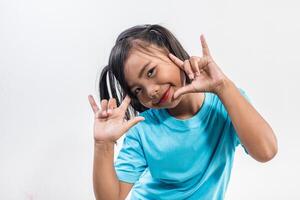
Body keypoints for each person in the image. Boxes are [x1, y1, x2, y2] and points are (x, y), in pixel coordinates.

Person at [88, 24, 278, 200]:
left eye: (151, 72)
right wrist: (103, 144)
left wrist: (222, 86)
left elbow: (266, 151)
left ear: (172, 51)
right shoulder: (143, 128)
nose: (150, 91)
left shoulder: (226, 103)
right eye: (138, 90)